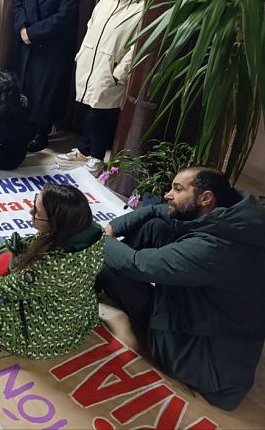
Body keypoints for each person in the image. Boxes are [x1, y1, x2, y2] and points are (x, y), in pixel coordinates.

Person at [98, 167, 265, 411]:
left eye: (177, 189)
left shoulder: (216, 247)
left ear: (205, 198)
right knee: (156, 227)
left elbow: (138, 264)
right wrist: (112, 228)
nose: (168, 195)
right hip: (209, 316)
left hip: (201, 360)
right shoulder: (233, 216)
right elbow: (157, 211)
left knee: (112, 267)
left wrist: (97, 238)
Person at [0, 184, 104, 358]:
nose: (31, 211)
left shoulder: (53, 265)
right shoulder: (81, 231)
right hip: (40, 294)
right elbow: (24, 244)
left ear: (54, 224)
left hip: (36, 326)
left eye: (37, 212)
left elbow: (6, 288)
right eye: (35, 203)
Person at [56, 0, 147, 173]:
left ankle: (96, 157)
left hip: (111, 68)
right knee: (89, 109)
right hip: (91, 63)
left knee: (100, 114)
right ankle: (83, 151)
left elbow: (137, 45)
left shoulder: (142, 5)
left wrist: (120, 72)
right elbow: (91, 28)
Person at [11, 0, 84, 153]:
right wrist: (22, 28)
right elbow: (18, 3)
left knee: (44, 92)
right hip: (26, 43)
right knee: (23, 86)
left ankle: (40, 134)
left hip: (51, 47)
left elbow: (62, 17)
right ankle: (23, 129)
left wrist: (33, 33)